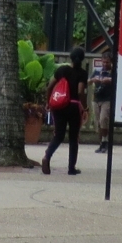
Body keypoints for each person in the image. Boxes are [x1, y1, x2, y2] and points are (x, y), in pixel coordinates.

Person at [41, 46, 87, 176]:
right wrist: (85, 107)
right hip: (73, 106)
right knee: (73, 137)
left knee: (58, 135)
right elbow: (80, 91)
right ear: (82, 59)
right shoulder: (82, 73)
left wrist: (48, 102)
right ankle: (71, 168)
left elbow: (50, 86)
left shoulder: (62, 70)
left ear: (70, 58)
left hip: (59, 106)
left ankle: (47, 156)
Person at [90, 52, 115, 152]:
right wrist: (93, 80)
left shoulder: (114, 72)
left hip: (107, 99)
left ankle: (105, 141)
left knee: (103, 119)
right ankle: (101, 143)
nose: (105, 64)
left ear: (111, 62)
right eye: (103, 62)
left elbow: (119, 81)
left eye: (107, 62)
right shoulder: (97, 71)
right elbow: (88, 81)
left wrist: (110, 80)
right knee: (98, 123)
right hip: (96, 99)